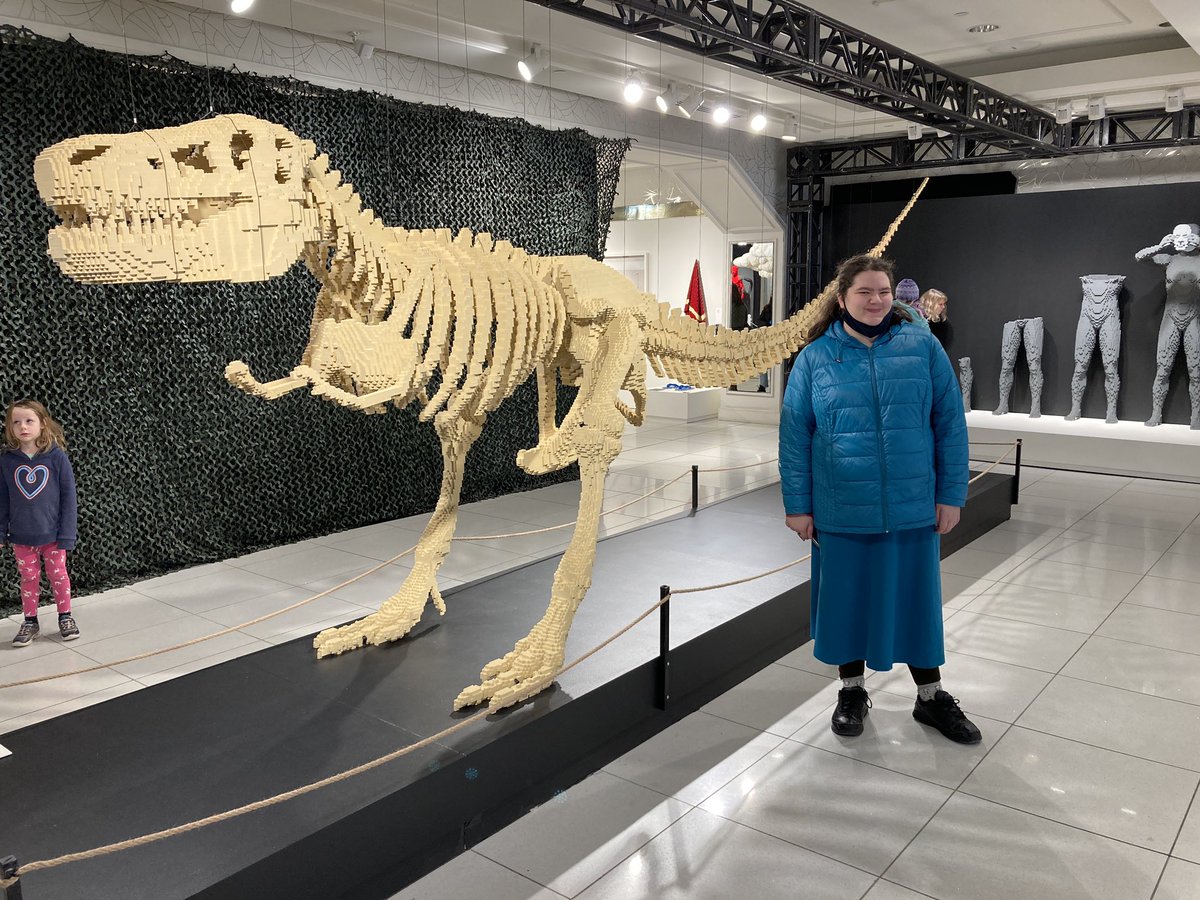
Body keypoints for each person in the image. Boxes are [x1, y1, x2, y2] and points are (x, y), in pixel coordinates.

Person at [779, 255, 979, 744]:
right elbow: (794, 436)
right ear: (843, 297)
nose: (875, 301)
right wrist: (798, 506)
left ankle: (930, 696)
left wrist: (951, 494)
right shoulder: (815, 358)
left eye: (883, 292)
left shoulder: (922, 346)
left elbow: (949, 424)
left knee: (917, 604)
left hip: (912, 505)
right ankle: (851, 690)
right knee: (847, 604)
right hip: (842, 509)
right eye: (865, 292)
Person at [2, 399, 80, 646]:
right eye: (16, 422)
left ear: (43, 423)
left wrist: (66, 534)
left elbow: (69, 499)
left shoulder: (56, 458)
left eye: (29, 421)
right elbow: (2, 500)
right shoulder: (6, 462)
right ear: (10, 427)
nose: (23, 426)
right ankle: (30, 621)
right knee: (28, 578)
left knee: (58, 576)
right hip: (22, 538)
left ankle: (65, 616)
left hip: (53, 536)